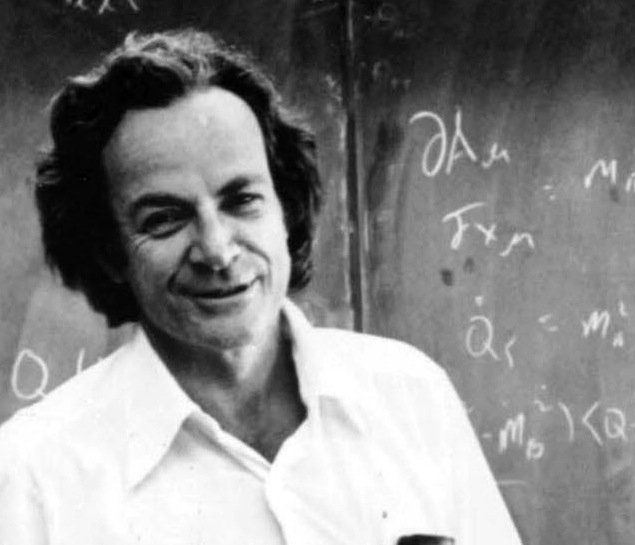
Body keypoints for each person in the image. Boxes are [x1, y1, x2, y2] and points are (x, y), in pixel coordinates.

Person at [0, 29, 522, 545]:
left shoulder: (410, 395)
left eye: (242, 200)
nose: (217, 250)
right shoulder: (34, 476)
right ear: (108, 252)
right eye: (164, 218)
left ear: (286, 208)